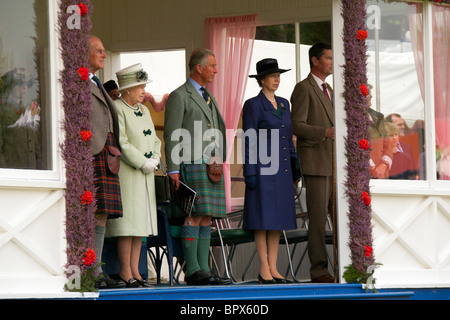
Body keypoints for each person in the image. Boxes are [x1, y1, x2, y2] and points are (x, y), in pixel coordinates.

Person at [164, 48, 230, 286]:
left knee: (206, 218)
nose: (216, 69)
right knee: (192, 216)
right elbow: (171, 134)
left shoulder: (207, 96)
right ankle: (192, 270)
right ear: (198, 68)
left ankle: (205, 270)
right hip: (189, 162)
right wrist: (173, 169)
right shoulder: (180, 95)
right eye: (212, 65)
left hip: (210, 165)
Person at [242, 58, 298, 284]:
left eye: (279, 75)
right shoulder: (253, 105)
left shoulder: (285, 103)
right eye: (273, 76)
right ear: (262, 80)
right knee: (262, 219)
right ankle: (263, 268)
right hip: (263, 170)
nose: (277, 79)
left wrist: (295, 165)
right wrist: (250, 171)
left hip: (283, 169)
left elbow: (289, 137)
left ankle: (274, 267)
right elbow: (249, 139)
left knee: (277, 221)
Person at [105, 63, 160, 288]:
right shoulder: (117, 108)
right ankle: (124, 272)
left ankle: (136, 271)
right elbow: (122, 141)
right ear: (127, 89)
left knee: (140, 226)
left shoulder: (144, 110)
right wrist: (141, 161)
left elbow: (154, 138)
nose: (143, 91)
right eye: (140, 87)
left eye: (144, 86)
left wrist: (155, 157)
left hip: (146, 176)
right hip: (129, 174)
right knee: (127, 226)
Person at [290, 42, 335, 283]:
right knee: (317, 220)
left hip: (335, 164)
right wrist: (324, 132)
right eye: (327, 58)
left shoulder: (331, 90)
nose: (331, 62)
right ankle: (319, 271)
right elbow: (296, 125)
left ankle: (344, 265)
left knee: (340, 219)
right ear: (315, 60)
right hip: (316, 163)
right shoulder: (303, 88)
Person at [88, 35, 125, 289]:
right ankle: (89, 271)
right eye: (99, 51)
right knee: (89, 213)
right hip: (91, 152)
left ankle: (97, 269)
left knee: (102, 213)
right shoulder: (76, 81)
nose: (104, 54)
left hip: (108, 152)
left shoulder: (97, 81)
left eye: (104, 50)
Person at [0, 68, 41, 169]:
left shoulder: (30, 111)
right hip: (12, 175)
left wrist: (40, 170)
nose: (24, 87)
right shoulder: (2, 111)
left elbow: (36, 146)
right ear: (9, 87)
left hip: (33, 174)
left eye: (26, 84)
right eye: (19, 84)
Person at [367, 85, 393, 179]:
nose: (369, 102)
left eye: (370, 96)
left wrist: (384, 165)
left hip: (381, 175)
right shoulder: (351, 117)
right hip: (362, 175)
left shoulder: (378, 117)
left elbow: (388, 146)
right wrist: (372, 168)